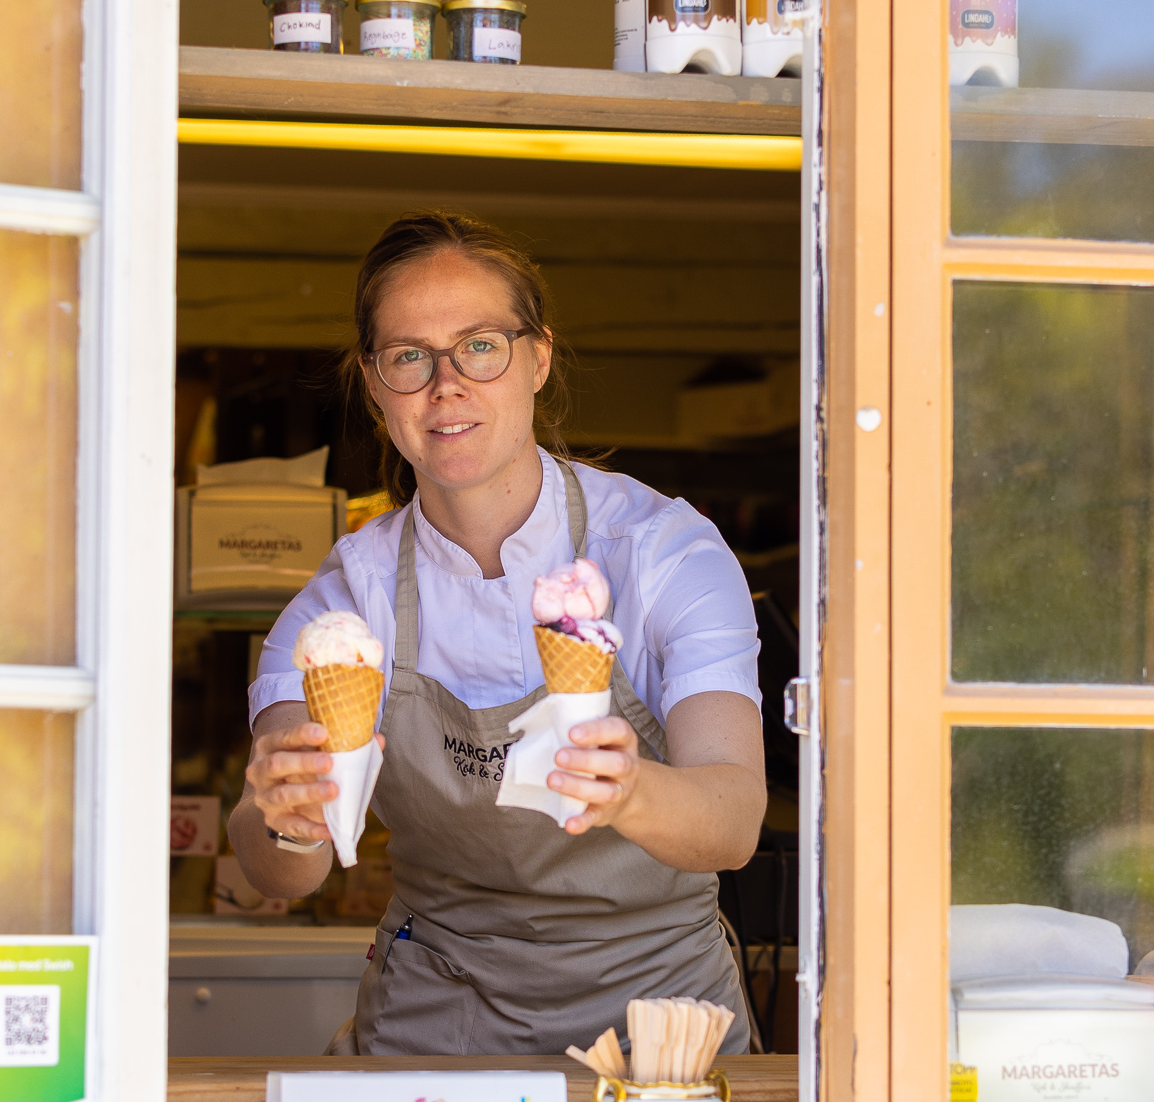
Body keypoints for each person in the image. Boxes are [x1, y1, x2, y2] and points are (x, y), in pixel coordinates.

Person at [229, 211, 767, 1056]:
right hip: (438, 1023)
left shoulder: (662, 550)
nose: (447, 386)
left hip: (661, 1026)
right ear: (373, 381)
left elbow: (734, 818)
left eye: (480, 345)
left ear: (538, 357)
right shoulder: (347, 598)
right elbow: (276, 872)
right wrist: (287, 819)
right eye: (409, 356)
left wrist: (627, 792)